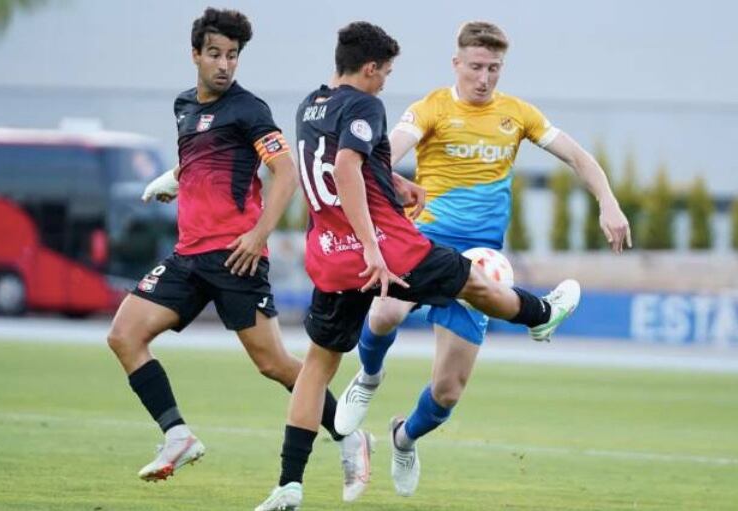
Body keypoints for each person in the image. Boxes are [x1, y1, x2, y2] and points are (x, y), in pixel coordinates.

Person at [254, 21, 582, 511]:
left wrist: (395, 187)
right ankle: (541, 315)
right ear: (368, 68)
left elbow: (337, 168)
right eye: (385, 71)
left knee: (316, 370)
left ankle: (289, 484)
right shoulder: (365, 104)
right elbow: (346, 168)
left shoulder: (309, 105)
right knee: (473, 280)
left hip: (328, 254)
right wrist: (371, 243)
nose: (386, 80)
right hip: (388, 247)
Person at [333, 20, 631, 497]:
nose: (484, 77)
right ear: (457, 64)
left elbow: (578, 156)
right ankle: (367, 378)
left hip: (481, 261)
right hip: (428, 240)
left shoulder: (518, 114)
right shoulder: (430, 107)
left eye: (493, 68)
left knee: (448, 391)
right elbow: (385, 157)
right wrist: (386, 188)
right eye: (475, 66)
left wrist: (608, 202)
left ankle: (403, 437)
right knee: (386, 310)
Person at [107, 8, 372, 500]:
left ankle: (350, 433)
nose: (224, 65)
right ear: (195, 55)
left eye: (232, 56)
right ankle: (177, 436)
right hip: (187, 256)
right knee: (124, 335)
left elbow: (286, 173)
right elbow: (200, 160)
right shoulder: (184, 105)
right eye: (215, 54)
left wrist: (257, 235)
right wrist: (174, 180)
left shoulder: (249, 109)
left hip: (236, 257)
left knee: (274, 364)